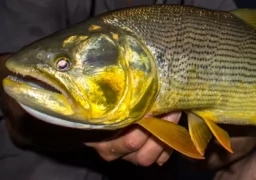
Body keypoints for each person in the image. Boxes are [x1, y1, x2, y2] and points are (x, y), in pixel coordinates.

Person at [0, 0, 255, 180]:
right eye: (64, 64)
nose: (63, 67)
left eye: (64, 64)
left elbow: (217, 154)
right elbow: (11, 73)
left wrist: (236, 141)